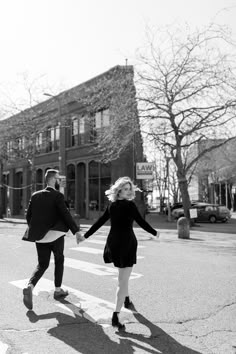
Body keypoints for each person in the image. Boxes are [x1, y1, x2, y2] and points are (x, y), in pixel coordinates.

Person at [77, 176, 159, 330]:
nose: (129, 192)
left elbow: (100, 222)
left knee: (123, 276)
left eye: (130, 189)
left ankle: (126, 299)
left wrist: (85, 236)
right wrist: (155, 232)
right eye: (126, 189)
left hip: (113, 244)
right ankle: (115, 315)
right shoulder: (130, 206)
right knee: (122, 281)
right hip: (127, 244)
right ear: (119, 190)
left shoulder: (112, 205)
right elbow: (141, 222)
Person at [22, 169, 82, 310]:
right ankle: (57, 289)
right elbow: (66, 215)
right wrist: (76, 232)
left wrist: (37, 230)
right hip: (56, 235)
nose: (59, 181)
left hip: (40, 237)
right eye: (57, 178)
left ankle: (29, 286)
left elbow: (28, 217)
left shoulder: (35, 196)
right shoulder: (57, 196)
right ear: (52, 180)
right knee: (59, 259)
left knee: (42, 265)